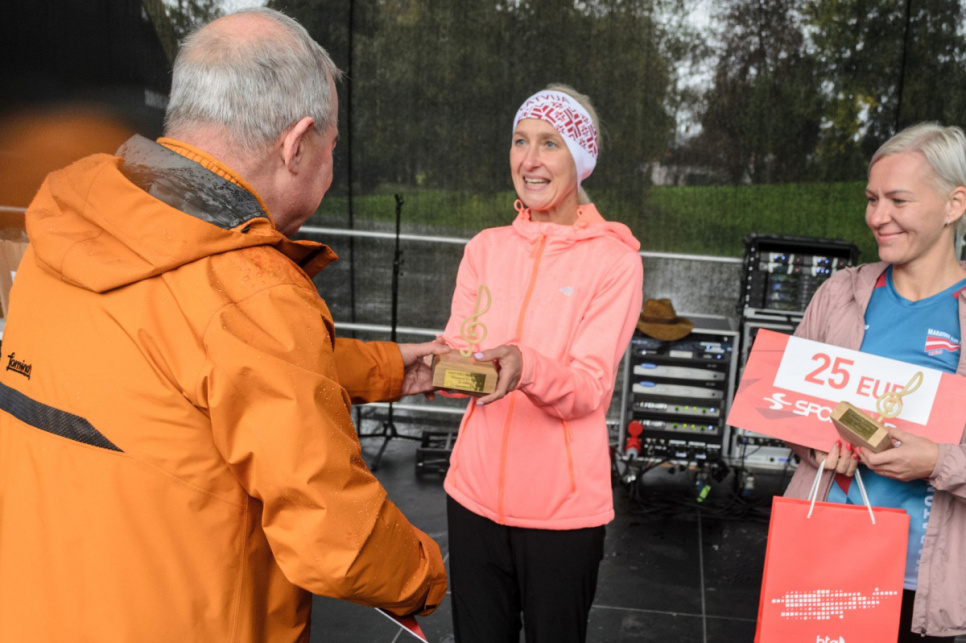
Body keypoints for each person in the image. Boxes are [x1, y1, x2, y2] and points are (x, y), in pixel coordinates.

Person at [0, 8, 447, 642]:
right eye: (332, 148)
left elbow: (190, 365)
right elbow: (338, 541)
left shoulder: (66, 230)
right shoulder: (249, 290)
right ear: (296, 144)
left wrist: (391, 368)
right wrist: (426, 575)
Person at [439, 85, 644, 643]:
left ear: (580, 159)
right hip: (472, 498)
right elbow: (462, 357)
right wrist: (434, 371)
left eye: (549, 143)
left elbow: (589, 388)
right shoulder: (485, 248)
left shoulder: (615, 262)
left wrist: (526, 366)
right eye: (520, 141)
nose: (529, 159)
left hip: (562, 514)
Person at [784, 122, 966, 641]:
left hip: (920, 581)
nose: (877, 217)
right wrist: (817, 445)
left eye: (898, 200)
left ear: (954, 204)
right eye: (872, 199)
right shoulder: (840, 294)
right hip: (823, 556)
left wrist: (937, 462)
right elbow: (783, 406)